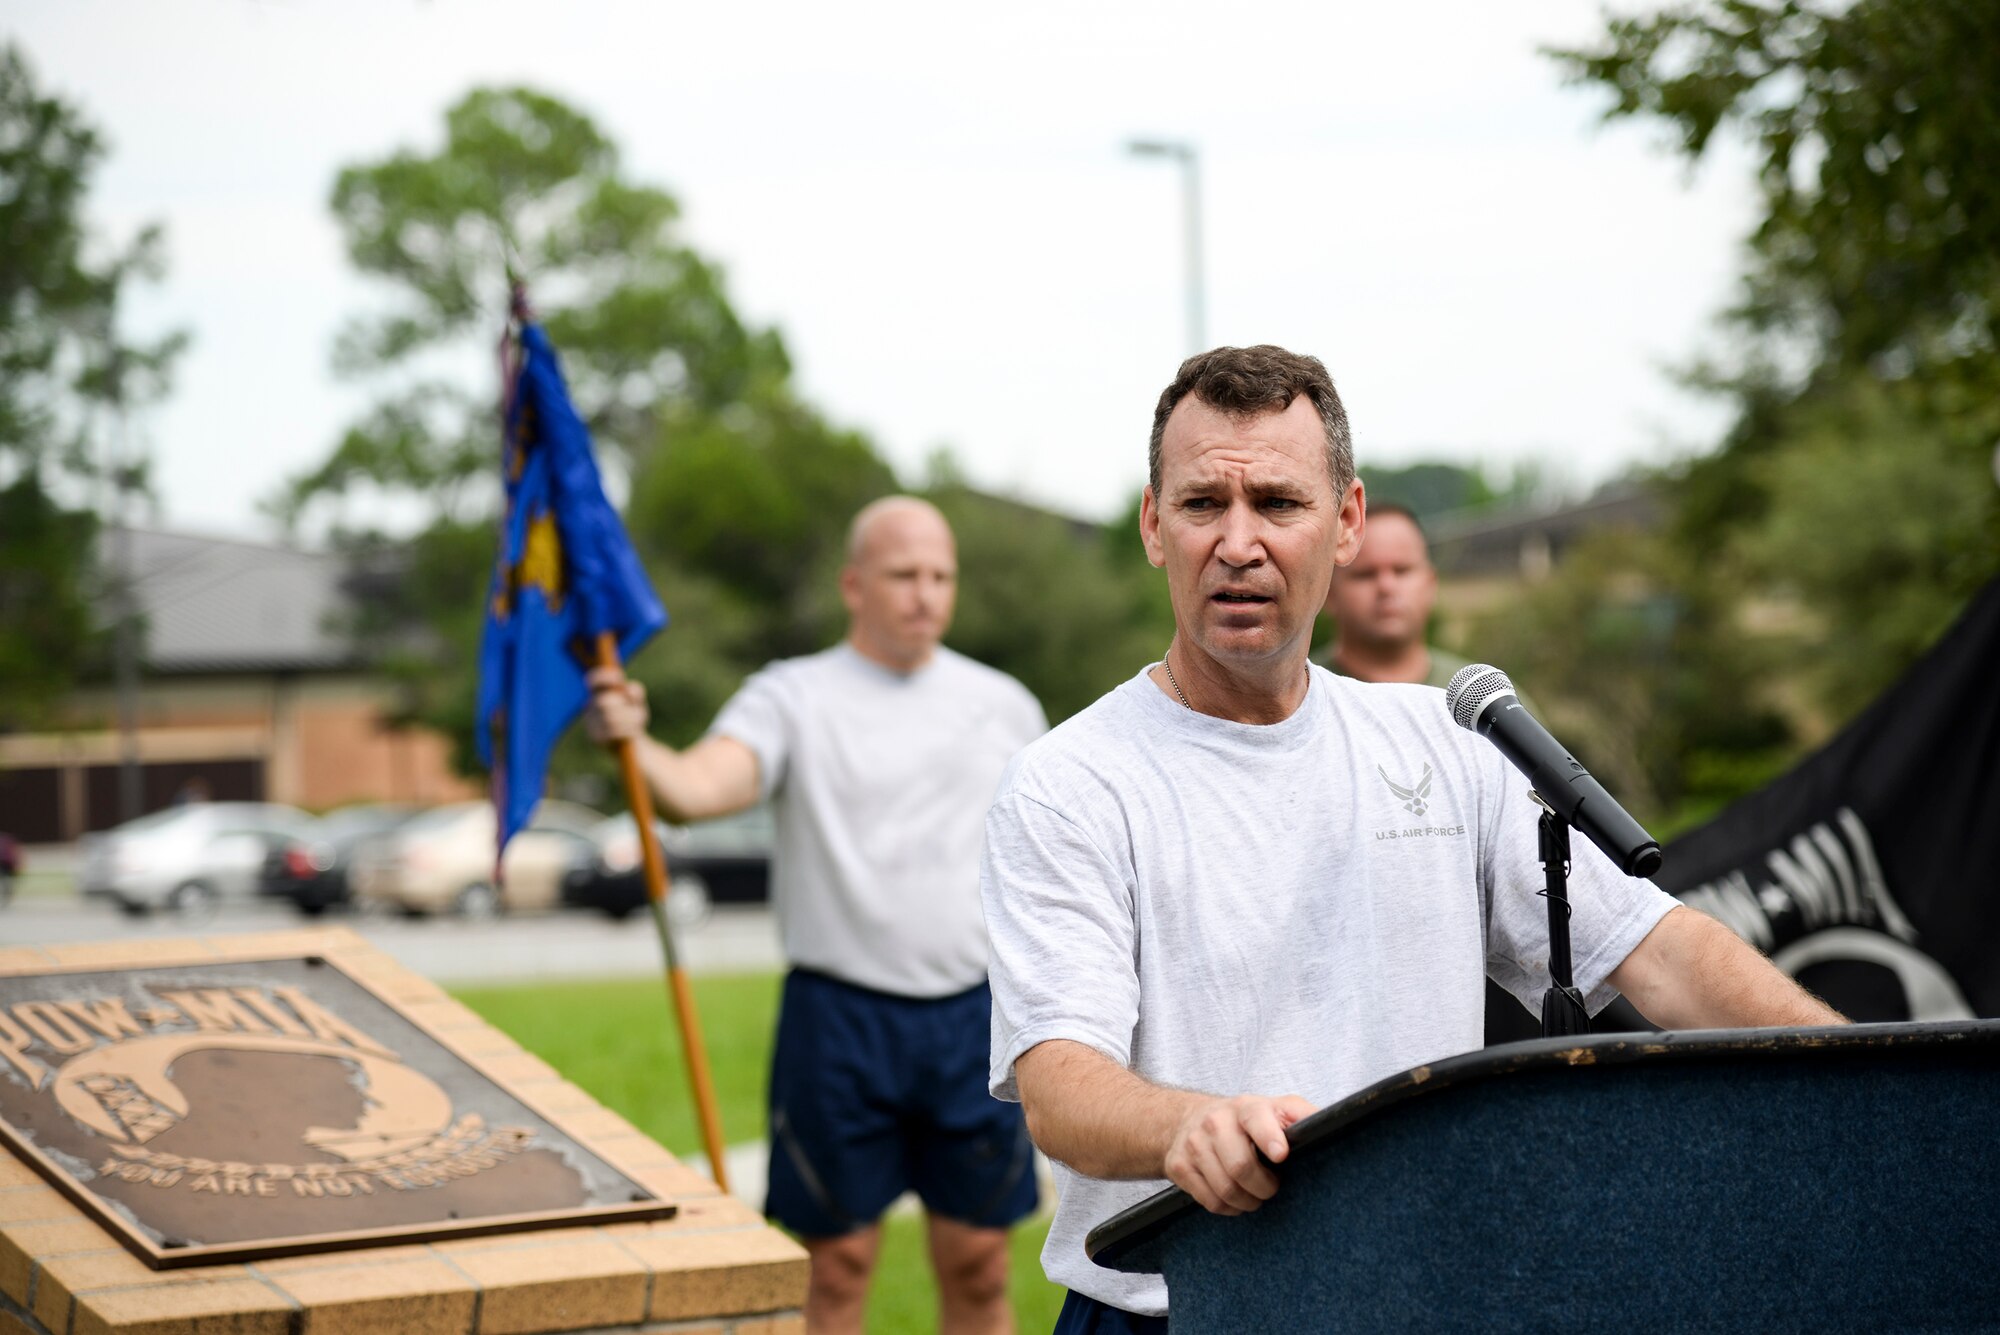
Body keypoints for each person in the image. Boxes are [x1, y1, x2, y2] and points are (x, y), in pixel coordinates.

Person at [978, 345, 1845, 1331]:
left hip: (1425, 1302)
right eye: (1199, 505)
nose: (1236, 541)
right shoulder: (1067, 783)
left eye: (1276, 502)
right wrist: (1189, 1126)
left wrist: (1881, 1090)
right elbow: (1059, 1088)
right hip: (1169, 1309)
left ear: (1344, 522)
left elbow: (1662, 954)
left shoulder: (1448, 744)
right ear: (1151, 524)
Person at [585, 495, 1046, 1335]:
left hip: (977, 1021)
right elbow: (696, 789)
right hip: (838, 1021)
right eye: (903, 574)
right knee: (833, 1268)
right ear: (853, 584)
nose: (925, 594)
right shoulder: (792, 695)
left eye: (941, 575)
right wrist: (635, 740)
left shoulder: (1005, 704)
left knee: (979, 1267)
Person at [1319, 501, 1468, 688]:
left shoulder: (1484, 703)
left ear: (1431, 584)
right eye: (1366, 574)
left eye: (1402, 570)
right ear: (1329, 592)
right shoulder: (1289, 700)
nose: (1386, 587)